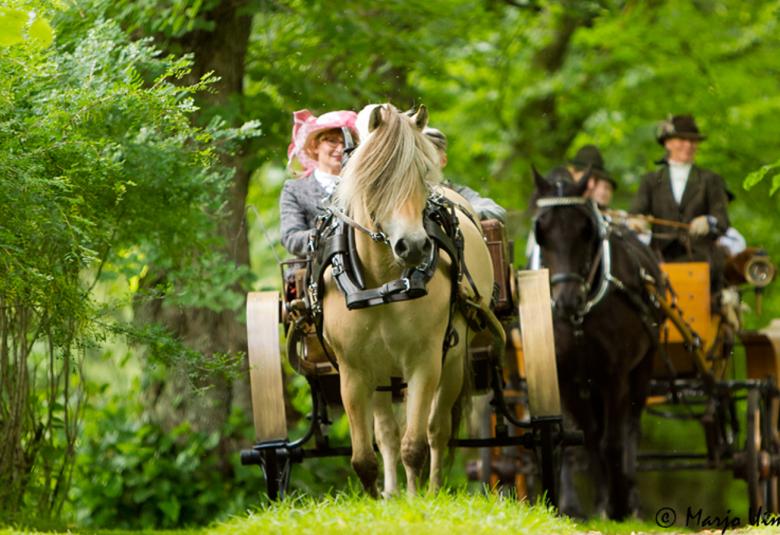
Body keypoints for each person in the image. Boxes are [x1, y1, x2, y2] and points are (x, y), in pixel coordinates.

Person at [630, 114, 730, 291]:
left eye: (693, 141)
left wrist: (709, 221)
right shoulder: (651, 180)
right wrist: (637, 221)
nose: (688, 145)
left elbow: (722, 219)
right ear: (668, 143)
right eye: (682, 140)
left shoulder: (711, 179)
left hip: (701, 260)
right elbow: (636, 213)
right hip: (660, 258)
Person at [280, 109, 358, 257]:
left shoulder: (361, 187)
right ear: (315, 146)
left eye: (346, 143)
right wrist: (327, 237)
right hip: (313, 270)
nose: (340, 149)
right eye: (332, 141)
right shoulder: (295, 189)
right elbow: (290, 237)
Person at [423, 127, 507, 223]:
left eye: (429, 153)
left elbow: (496, 211)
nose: (424, 161)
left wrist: (460, 212)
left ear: (443, 160)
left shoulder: (459, 193)